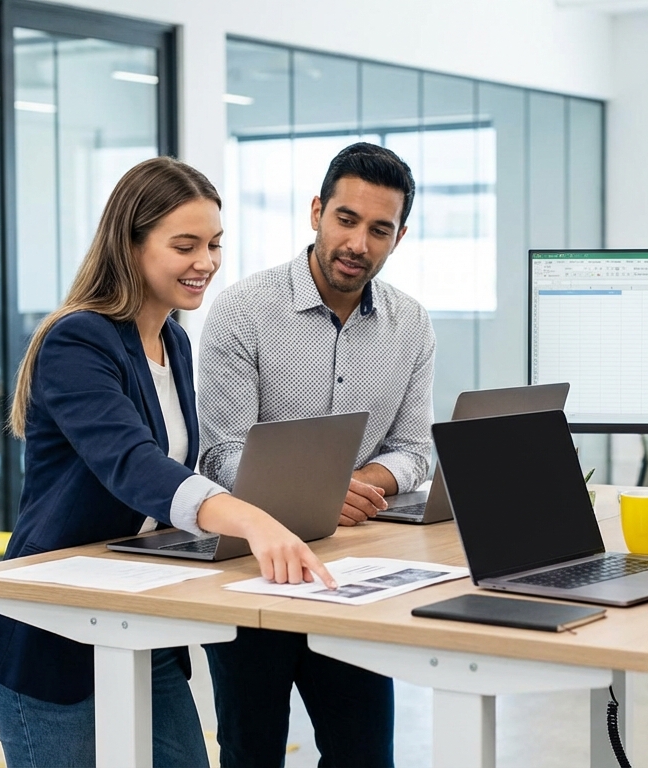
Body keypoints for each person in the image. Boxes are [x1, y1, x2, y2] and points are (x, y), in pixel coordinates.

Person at [0, 157, 336, 768]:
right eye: (184, 245)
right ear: (130, 246)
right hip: (51, 635)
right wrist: (250, 520)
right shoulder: (77, 340)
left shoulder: (175, 341)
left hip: (134, 622)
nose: (207, 263)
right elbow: (134, 464)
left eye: (215, 244)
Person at [195, 141, 435, 767]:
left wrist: (366, 479)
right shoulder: (243, 310)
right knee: (252, 755)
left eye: (379, 229)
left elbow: (414, 451)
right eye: (346, 220)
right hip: (253, 575)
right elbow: (219, 455)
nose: (358, 243)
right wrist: (323, 487)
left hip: (353, 575)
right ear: (317, 213)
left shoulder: (411, 324)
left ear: (398, 236)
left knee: (364, 757)